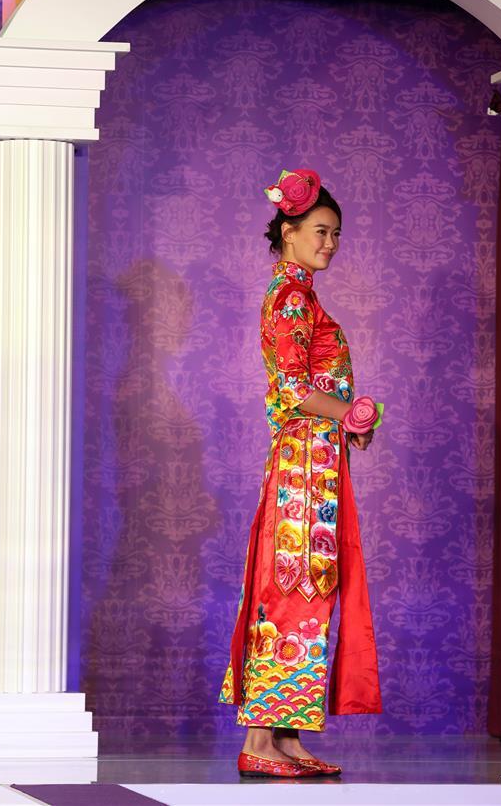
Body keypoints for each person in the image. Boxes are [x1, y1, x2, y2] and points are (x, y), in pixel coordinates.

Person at [218, 168, 382, 779]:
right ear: (288, 233)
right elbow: (291, 389)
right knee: (289, 588)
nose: (330, 243)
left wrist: (349, 422)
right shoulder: (289, 298)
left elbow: (311, 389)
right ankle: (260, 742)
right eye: (320, 230)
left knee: (309, 588)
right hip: (301, 466)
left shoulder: (305, 298)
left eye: (337, 234)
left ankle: (285, 737)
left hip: (316, 460)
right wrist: (348, 412)